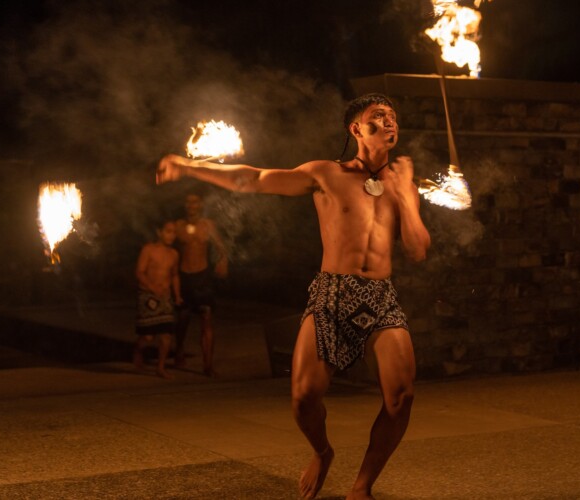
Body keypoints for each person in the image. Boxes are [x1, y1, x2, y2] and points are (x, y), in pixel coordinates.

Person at [157, 93, 431, 500]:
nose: (390, 121)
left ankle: (362, 486)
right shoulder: (326, 174)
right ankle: (322, 452)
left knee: (401, 396)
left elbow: (417, 248)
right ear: (356, 129)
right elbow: (252, 178)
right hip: (332, 292)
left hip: (380, 297)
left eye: (393, 115)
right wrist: (190, 166)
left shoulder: (401, 186)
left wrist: (407, 198)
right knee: (304, 398)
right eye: (378, 116)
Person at [173, 192, 228, 377]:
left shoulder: (208, 225)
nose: (191, 205)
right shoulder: (178, 226)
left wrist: (223, 261)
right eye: (188, 202)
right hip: (184, 276)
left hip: (203, 277)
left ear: (201, 204)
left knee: (206, 319)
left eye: (195, 202)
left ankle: (208, 365)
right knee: (182, 320)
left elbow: (222, 248)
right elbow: (166, 247)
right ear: (184, 205)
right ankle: (179, 349)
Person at [134, 220, 183, 379]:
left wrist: (177, 295)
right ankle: (139, 350)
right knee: (148, 337)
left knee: (166, 336)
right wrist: (151, 287)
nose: (171, 235)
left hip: (165, 297)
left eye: (174, 232)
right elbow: (140, 272)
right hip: (148, 296)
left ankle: (160, 367)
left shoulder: (174, 254)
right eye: (168, 231)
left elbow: (175, 275)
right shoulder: (148, 250)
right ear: (159, 232)